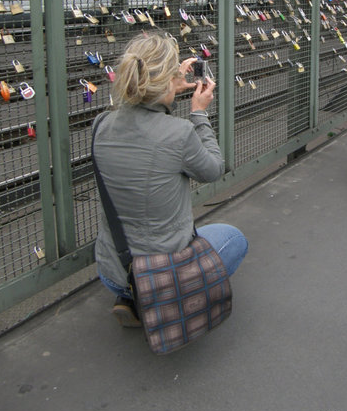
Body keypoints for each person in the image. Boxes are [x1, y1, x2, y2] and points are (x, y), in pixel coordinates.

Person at [92, 31, 248, 327]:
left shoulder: (101, 125)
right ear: (166, 80)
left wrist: (167, 84)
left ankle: (130, 295)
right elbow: (214, 169)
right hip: (160, 273)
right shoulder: (179, 133)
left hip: (112, 272)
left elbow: (135, 115)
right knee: (234, 238)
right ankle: (160, 301)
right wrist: (198, 113)